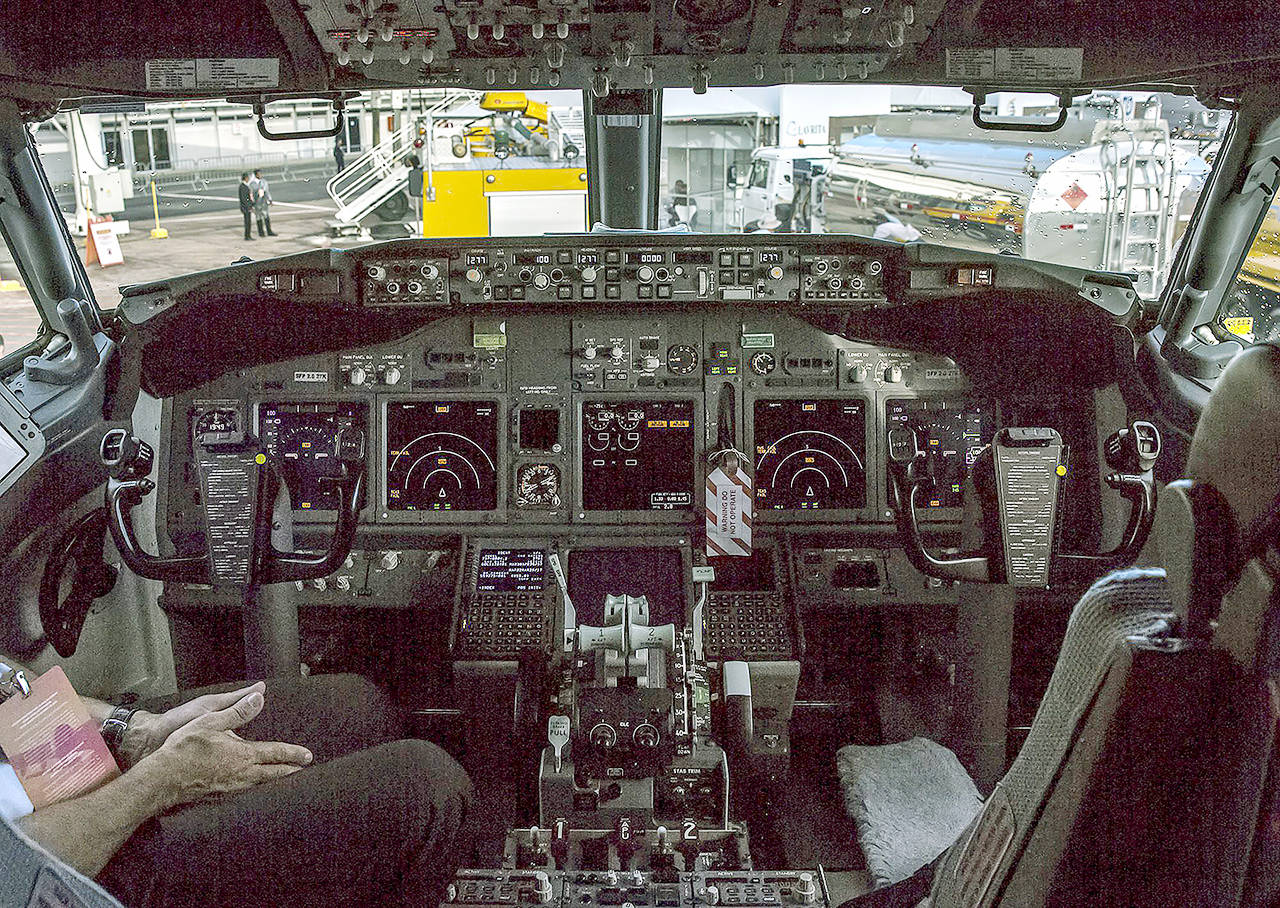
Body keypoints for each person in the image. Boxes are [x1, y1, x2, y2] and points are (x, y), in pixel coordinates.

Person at [0, 667, 472, 907]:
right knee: (427, 789)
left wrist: (134, 731)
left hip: (48, 777)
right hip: (63, 876)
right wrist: (160, 783)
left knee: (358, 706)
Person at [250, 168, 277, 237]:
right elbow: (251, 194)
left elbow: (267, 191)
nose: (260, 175)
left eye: (261, 173)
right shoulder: (252, 183)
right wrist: (251, 203)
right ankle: (261, 232)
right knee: (258, 217)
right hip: (257, 202)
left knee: (266, 216)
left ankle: (269, 231)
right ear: (256, 175)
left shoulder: (264, 181)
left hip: (264, 201)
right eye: (259, 174)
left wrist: (270, 200)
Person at [237, 172, 254, 241]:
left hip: (246, 207)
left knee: (248, 222)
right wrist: (249, 206)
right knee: (247, 222)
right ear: (245, 178)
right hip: (245, 208)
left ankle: (248, 235)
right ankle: (247, 236)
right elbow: (244, 199)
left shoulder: (245, 186)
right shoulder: (243, 187)